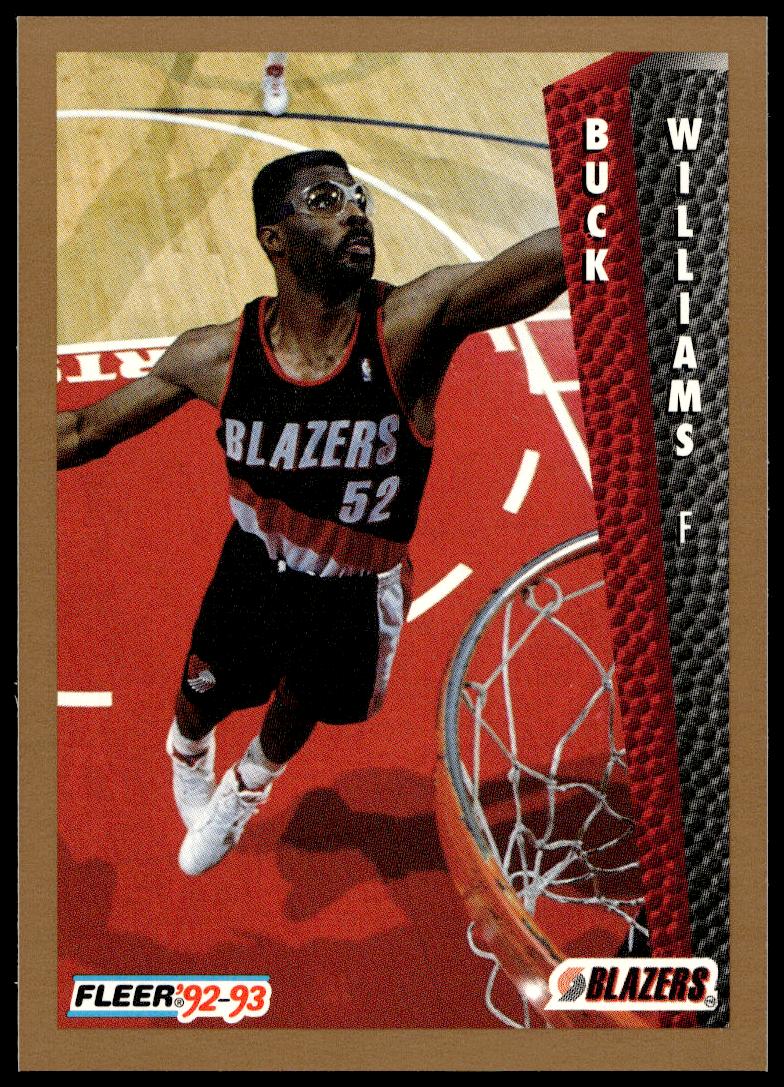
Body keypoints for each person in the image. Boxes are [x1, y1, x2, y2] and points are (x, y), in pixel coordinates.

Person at [57, 149, 566, 876]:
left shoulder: (408, 327)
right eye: (326, 200)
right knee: (200, 697)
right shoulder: (215, 356)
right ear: (274, 238)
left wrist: (618, 209)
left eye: (359, 197)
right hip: (255, 568)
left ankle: (247, 785)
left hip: (356, 585)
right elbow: (82, 431)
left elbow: (538, 266)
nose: (355, 211)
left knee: (308, 699)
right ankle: (188, 750)